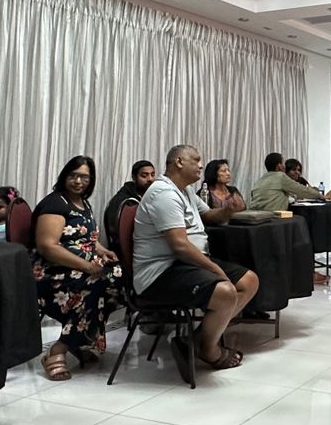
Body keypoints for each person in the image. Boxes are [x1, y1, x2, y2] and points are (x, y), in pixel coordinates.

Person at [132, 145, 258, 376]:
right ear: (179, 162)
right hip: (161, 272)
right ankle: (209, 350)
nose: (201, 165)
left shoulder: (186, 190)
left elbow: (208, 215)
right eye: (196, 160)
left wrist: (227, 210)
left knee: (249, 281)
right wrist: (215, 270)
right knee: (226, 291)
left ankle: (194, 340)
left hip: (186, 263)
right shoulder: (164, 194)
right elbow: (180, 246)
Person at [31, 156, 116, 381]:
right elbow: (47, 246)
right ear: (64, 176)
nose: (78, 181)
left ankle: (80, 339)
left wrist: (102, 252)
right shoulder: (55, 203)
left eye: (84, 177)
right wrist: (86, 265)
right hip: (51, 273)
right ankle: (59, 349)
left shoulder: (83, 203)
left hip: (77, 268)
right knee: (96, 283)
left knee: (119, 280)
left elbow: (87, 239)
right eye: (73, 176)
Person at [249, 152, 331, 211]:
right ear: (279, 166)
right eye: (283, 163)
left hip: (256, 215)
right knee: (302, 220)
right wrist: (323, 196)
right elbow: (303, 190)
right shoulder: (280, 177)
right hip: (272, 217)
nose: (284, 166)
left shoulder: (259, 180)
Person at [104, 159, 156, 246]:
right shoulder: (125, 201)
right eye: (144, 176)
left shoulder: (153, 195)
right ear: (134, 177)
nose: (150, 179)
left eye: (152, 175)